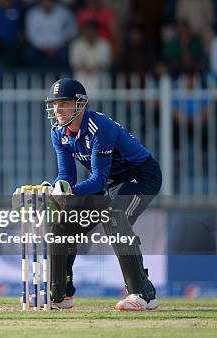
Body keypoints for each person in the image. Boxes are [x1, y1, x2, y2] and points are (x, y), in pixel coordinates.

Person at [46, 78, 161, 311]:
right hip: (109, 182)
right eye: (55, 103)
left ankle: (144, 294)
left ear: (80, 104)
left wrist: (70, 191)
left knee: (115, 215)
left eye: (64, 103)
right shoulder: (58, 133)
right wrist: (59, 187)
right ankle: (60, 294)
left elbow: (97, 178)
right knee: (63, 224)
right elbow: (66, 174)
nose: (58, 109)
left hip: (140, 176)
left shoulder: (100, 128)